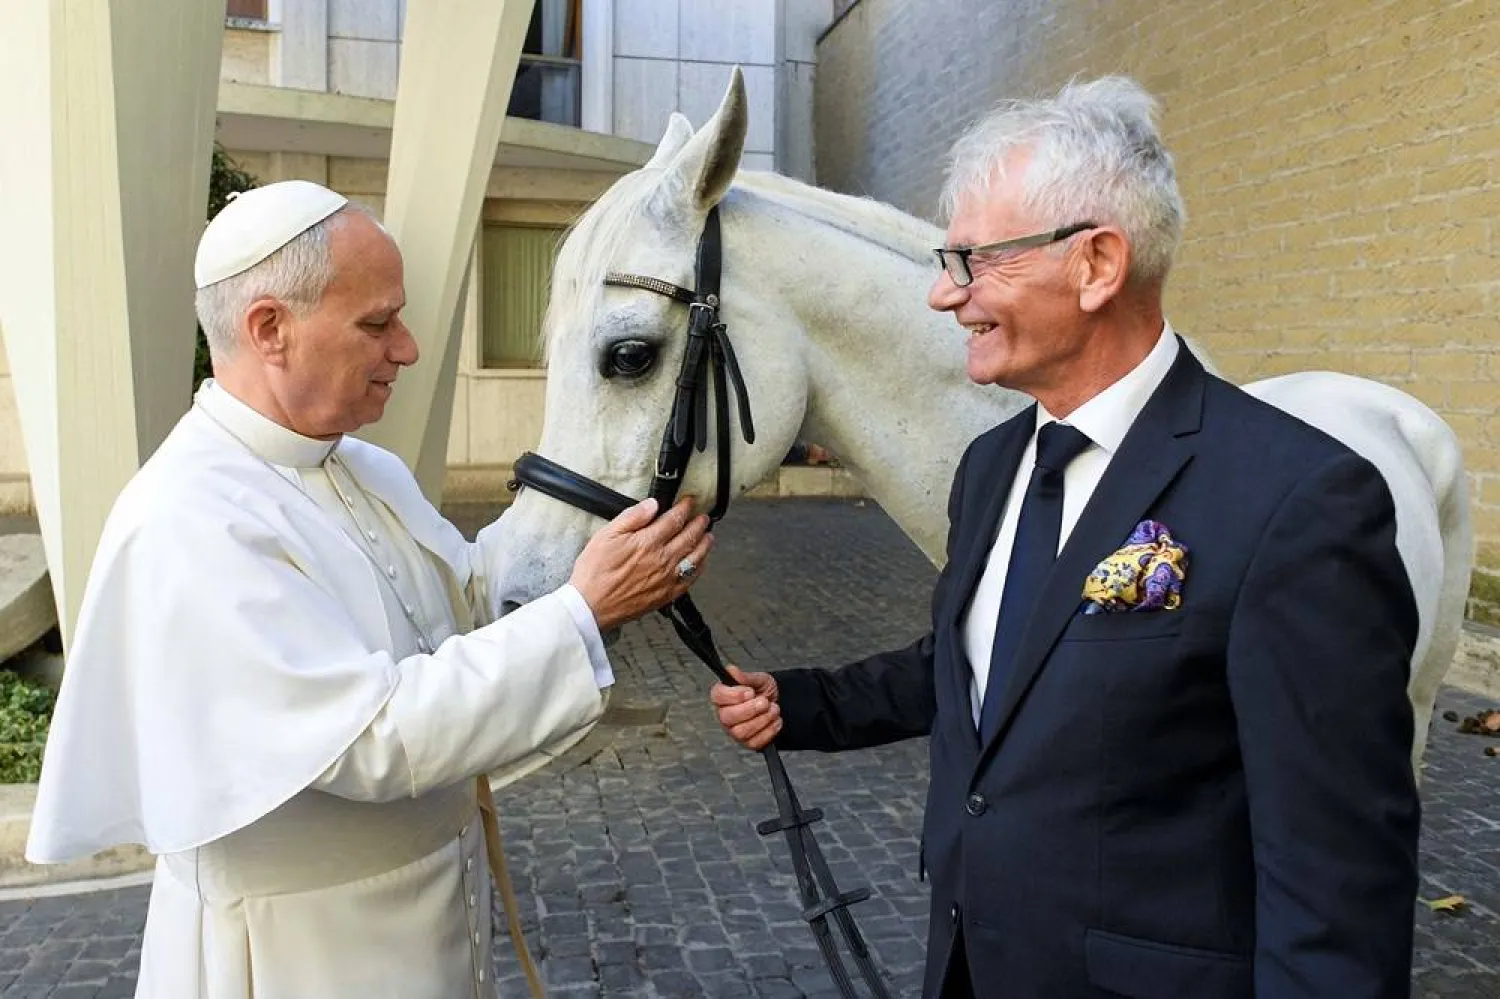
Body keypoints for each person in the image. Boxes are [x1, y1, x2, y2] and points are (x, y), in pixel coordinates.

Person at [711, 77, 1420, 998]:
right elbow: (989, 665)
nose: (941, 294)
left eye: (974, 260)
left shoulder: (1301, 501)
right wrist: (804, 704)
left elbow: (1334, 889)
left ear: (1096, 265)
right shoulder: (992, 467)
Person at [26, 180, 714, 997]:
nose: (409, 347)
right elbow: (369, 738)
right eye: (378, 322)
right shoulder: (188, 517)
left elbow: (465, 598)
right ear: (269, 329)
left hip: (434, 916)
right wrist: (584, 609)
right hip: (304, 956)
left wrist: (594, 553)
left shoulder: (363, 465)